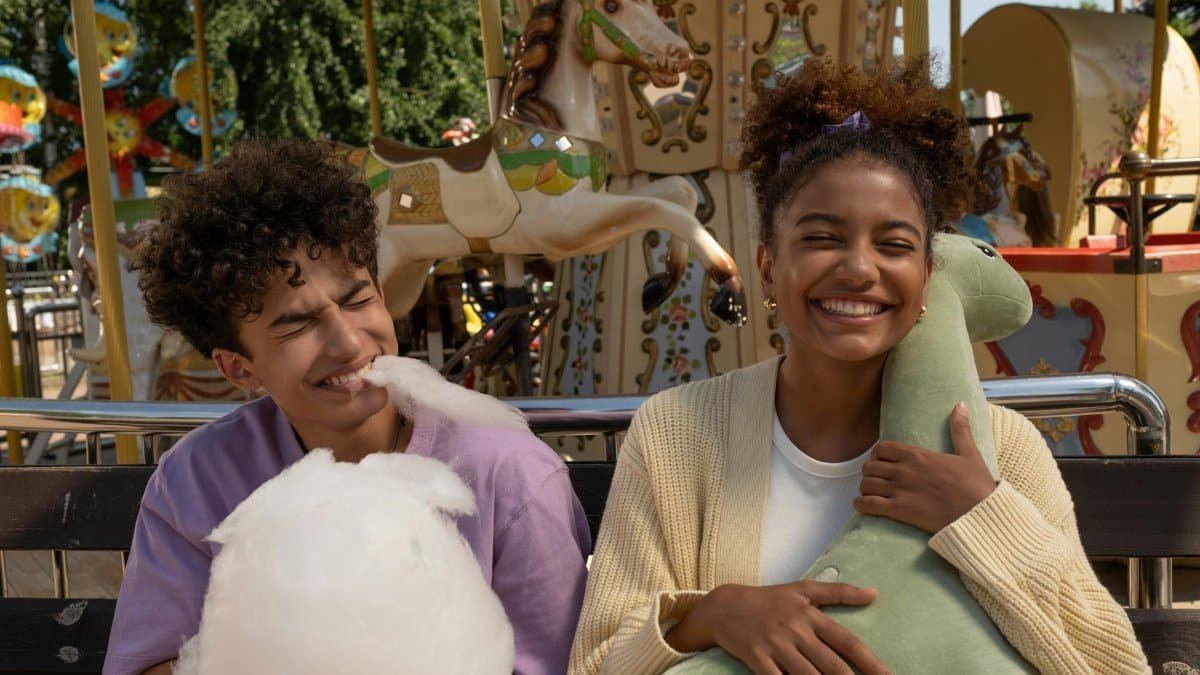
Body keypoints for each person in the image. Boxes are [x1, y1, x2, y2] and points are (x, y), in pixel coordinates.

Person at [568, 58, 1149, 675]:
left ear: (927, 277)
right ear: (768, 268)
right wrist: (710, 616)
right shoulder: (676, 435)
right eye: (822, 238)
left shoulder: (1002, 450)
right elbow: (596, 663)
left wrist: (982, 515)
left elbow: (1112, 666)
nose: (859, 269)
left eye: (894, 245)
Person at [103, 138, 590, 675]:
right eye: (297, 324)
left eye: (357, 299)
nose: (350, 343)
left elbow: (562, 661)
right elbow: (146, 663)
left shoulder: (509, 473)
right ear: (240, 369)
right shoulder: (197, 482)